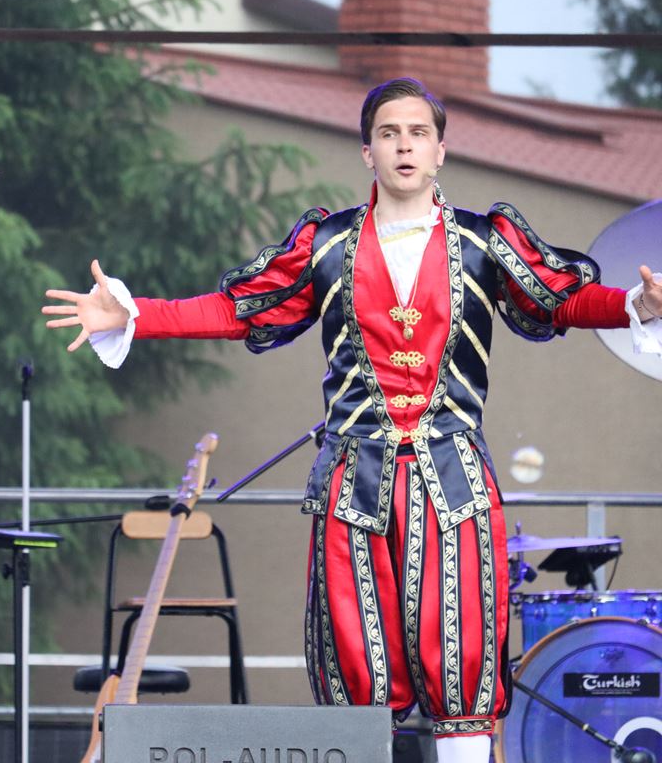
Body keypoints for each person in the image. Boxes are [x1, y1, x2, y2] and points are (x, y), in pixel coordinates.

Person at [43, 77, 662, 763]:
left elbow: (558, 297)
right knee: (357, 669)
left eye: (418, 133)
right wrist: (136, 315)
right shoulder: (327, 245)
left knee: (459, 660)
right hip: (353, 484)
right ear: (368, 151)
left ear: (440, 150)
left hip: (453, 483)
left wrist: (636, 304)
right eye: (389, 134)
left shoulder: (484, 243)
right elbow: (240, 309)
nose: (404, 146)